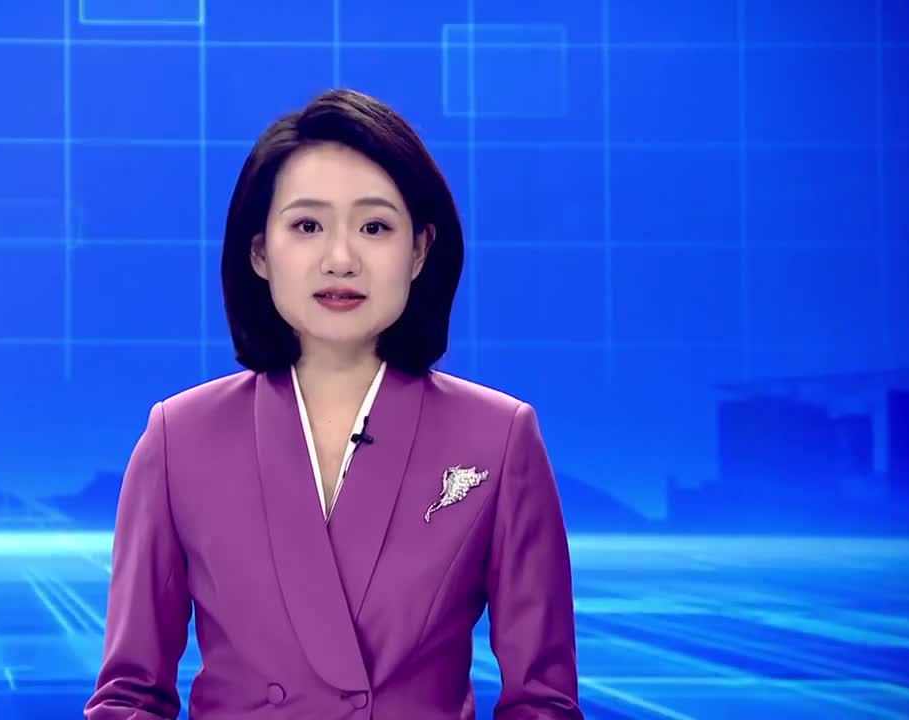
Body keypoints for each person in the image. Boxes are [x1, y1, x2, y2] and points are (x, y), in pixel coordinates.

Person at [84, 88, 582, 720]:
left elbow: (542, 701)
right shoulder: (178, 438)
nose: (341, 259)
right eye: (307, 226)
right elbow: (130, 697)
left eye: (374, 227)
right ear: (260, 252)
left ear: (419, 250)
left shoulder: (499, 437)